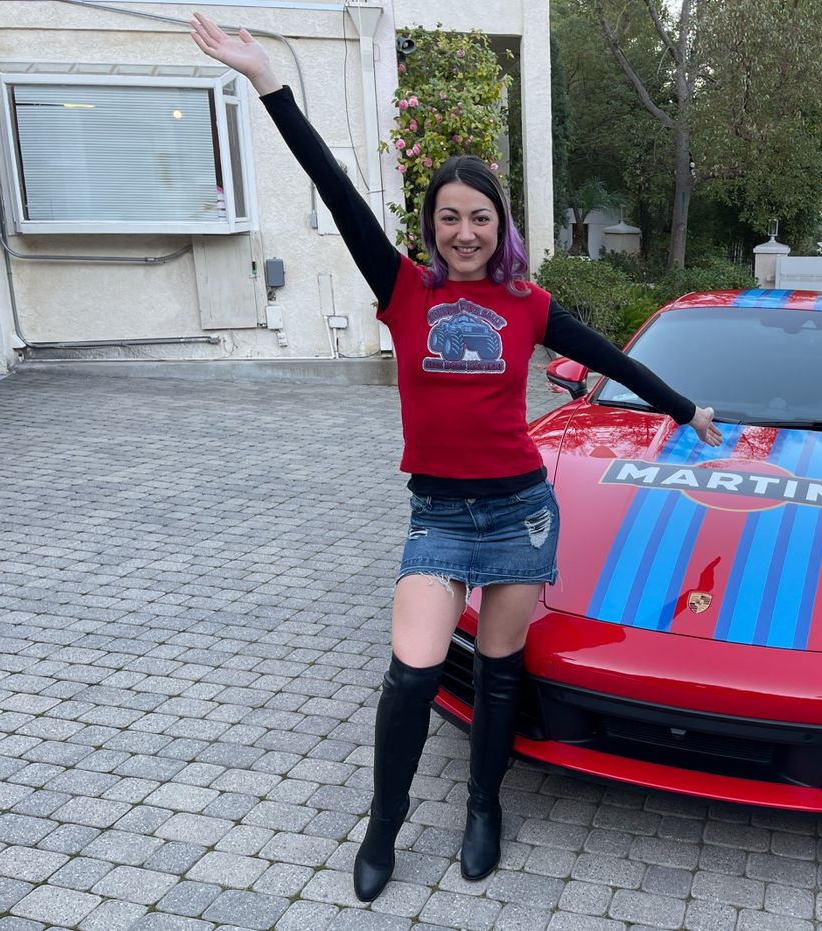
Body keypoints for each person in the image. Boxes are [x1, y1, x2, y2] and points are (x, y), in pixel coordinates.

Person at [190, 12, 721, 904]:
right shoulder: (402, 288)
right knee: (413, 673)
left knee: (501, 671)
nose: (464, 231)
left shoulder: (527, 303)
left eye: (479, 217)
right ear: (431, 226)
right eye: (449, 217)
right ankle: (384, 824)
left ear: (498, 225)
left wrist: (683, 407)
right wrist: (267, 81)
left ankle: (483, 806)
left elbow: (612, 358)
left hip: (521, 514)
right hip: (438, 516)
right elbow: (335, 188)